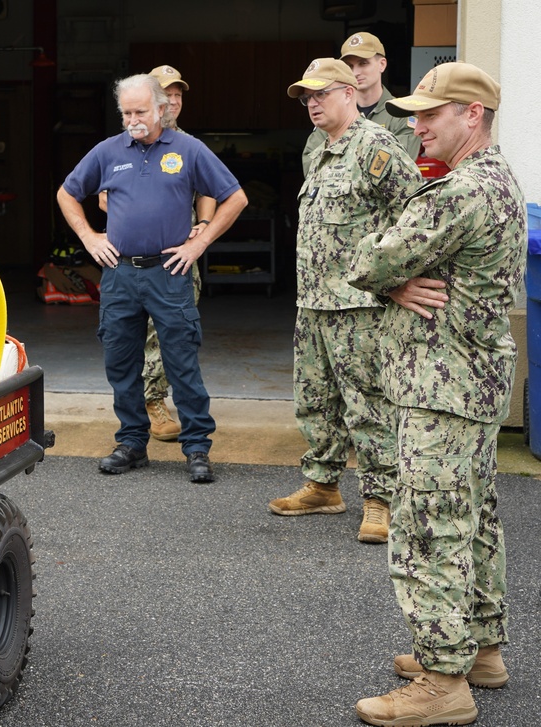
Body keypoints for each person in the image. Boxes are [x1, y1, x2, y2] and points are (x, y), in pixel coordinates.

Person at [349, 62, 522, 727]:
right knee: (472, 518)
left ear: (470, 115)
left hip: (442, 385)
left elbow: (369, 259)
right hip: (473, 381)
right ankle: (479, 648)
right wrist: (399, 283)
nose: (416, 126)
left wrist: (389, 278)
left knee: (428, 529)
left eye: (430, 114)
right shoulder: (498, 178)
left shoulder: (456, 193)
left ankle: (443, 681)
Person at [56, 73, 247, 483]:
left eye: (140, 111)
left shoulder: (188, 149)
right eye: (126, 112)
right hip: (120, 273)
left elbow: (235, 197)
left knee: (181, 363)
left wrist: (199, 242)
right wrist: (89, 237)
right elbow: (67, 193)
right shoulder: (108, 152)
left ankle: (196, 448)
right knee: (120, 362)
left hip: (169, 272)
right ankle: (131, 442)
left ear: (161, 109)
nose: (133, 119)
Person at [268, 59, 421, 543]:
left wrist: (395, 280)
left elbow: (414, 215)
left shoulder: (375, 145)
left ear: (350, 93)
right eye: (306, 98)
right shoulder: (320, 151)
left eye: (320, 94)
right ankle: (323, 485)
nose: (311, 104)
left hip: (358, 306)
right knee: (314, 400)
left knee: (368, 405)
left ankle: (380, 499)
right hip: (313, 301)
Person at [101, 64, 217, 442]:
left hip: (177, 256)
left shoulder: (188, 145)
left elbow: (213, 193)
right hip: (132, 261)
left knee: (178, 338)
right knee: (133, 340)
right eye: (167, 93)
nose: (174, 100)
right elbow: (102, 195)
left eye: (178, 94)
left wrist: (201, 229)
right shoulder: (123, 144)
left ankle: (195, 437)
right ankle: (151, 405)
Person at [301, 32, 420, 177]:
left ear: (382, 64)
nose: (355, 72)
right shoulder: (332, 115)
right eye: (349, 66)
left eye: (363, 63)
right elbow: (310, 167)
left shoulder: (401, 115)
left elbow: (394, 171)